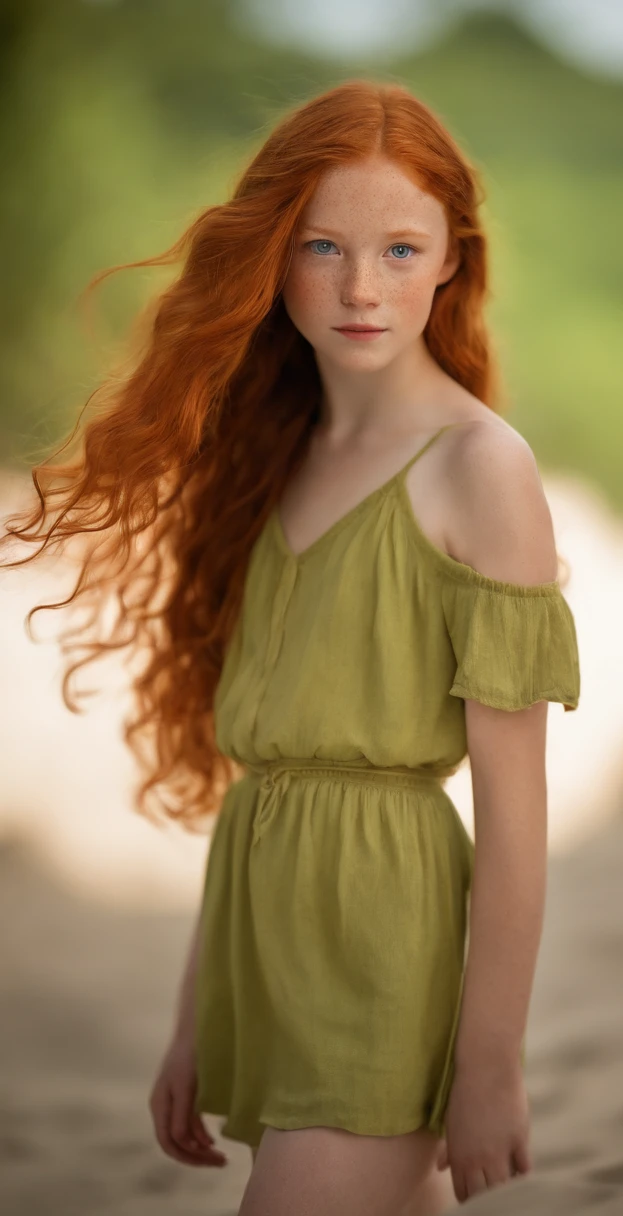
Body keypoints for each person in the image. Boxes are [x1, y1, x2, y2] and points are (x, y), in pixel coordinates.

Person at [1, 80, 580, 1215]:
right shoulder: (274, 453)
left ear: (452, 260)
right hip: (265, 945)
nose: (361, 288)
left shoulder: (480, 467)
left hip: (384, 945)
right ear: (273, 252)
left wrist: (490, 1064)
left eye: (401, 249)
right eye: (323, 245)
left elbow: (516, 817)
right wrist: (191, 1024)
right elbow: (264, 790)